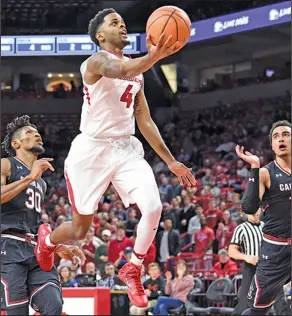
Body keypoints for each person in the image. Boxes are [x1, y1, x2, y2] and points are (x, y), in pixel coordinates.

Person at [34, 8, 196, 308]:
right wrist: (154, 56)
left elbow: (144, 119)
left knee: (154, 205)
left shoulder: (138, 71)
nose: (122, 26)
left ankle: (133, 267)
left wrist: (171, 161)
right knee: (80, 230)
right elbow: (120, 70)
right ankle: (48, 241)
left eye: (123, 23)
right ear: (100, 35)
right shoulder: (95, 62)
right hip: (91, 151)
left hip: (124, 148)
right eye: (114, 23)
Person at [0, 115, 85, 315]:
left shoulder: (41, 182)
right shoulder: (7, 164)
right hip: (8, 249)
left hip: (35, 251)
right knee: (16, 312)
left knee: (53, 304)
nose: (37, 135)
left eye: (38, 133)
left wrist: (57, 246)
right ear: (16, 143)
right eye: (29, 133)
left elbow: (33, 222)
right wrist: (30, 177)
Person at [235, 120, 291, 315]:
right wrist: (254, 168)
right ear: (272, 145)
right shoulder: (266, 173)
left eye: (285, 134)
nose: (281, 139)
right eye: (276, 137)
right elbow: (249, 207)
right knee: (258, 309)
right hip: (276, 250)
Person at [228, 209, 289, 315]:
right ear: (246, 213)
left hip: (270, 266)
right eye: (253, 213)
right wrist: (246, 257)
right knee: (245, 302)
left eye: (257, 212)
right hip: (251, 267)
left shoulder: (267, 226)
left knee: (279, 300)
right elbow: (231, 251)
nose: (256, 215)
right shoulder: (241, 228)